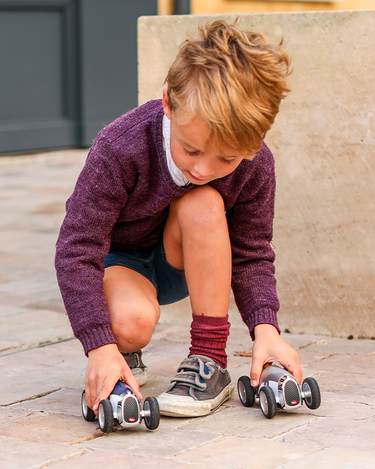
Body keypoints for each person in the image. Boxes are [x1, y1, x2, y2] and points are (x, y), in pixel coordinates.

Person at [55, 18, 302, 418]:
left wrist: (267, 330)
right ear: (169, 102)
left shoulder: (255, 163)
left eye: (226, 158)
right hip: (125, 263)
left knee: (201, 200)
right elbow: (76, 248)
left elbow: (252, 251)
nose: (203, 168)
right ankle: (121, 356)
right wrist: (99, 345)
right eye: (191, 150)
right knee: (130, 324)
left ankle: (209, 359)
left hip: (188, 259)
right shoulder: (120, 147)